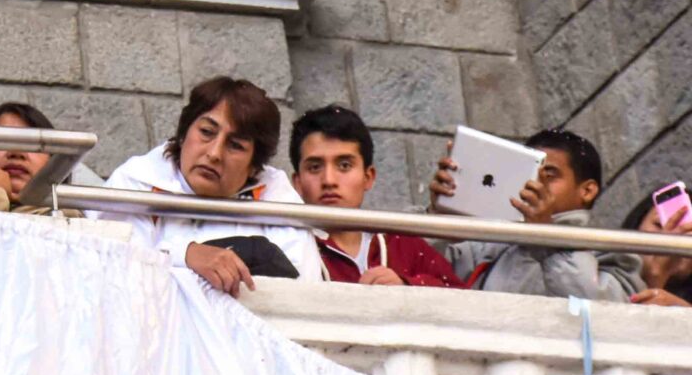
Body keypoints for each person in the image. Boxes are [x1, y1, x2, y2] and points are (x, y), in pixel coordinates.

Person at [97, 76, 324, 293]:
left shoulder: (276, 199)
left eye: (235, 145)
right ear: (184, 133)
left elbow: (301, 289)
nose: (215, 153)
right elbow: (111, 269)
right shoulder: (136, 181)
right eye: (206, 132)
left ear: (255, 166)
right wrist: (185, 255)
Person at [427, 130, 642, 299]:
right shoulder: (489, 247)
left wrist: (546, 240)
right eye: (529, 174)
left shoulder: (613, 253)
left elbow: (600, 314)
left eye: (549, 175)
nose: (535, 184)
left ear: (587, 191)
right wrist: (440, 219)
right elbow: (422, 276)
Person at [288, 105, 458, 287]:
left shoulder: (402, 243)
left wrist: (407, 287)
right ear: (297, 183)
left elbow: (464, 299)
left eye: (344, 165)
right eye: (315, 167)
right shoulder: (287, 246)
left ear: (368, 177)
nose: (329, 180)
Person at [622, 192, 692, 308]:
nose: (670, 236)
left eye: (686, 233)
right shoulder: (604, 280)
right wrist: (656, 274)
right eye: (659, 225)